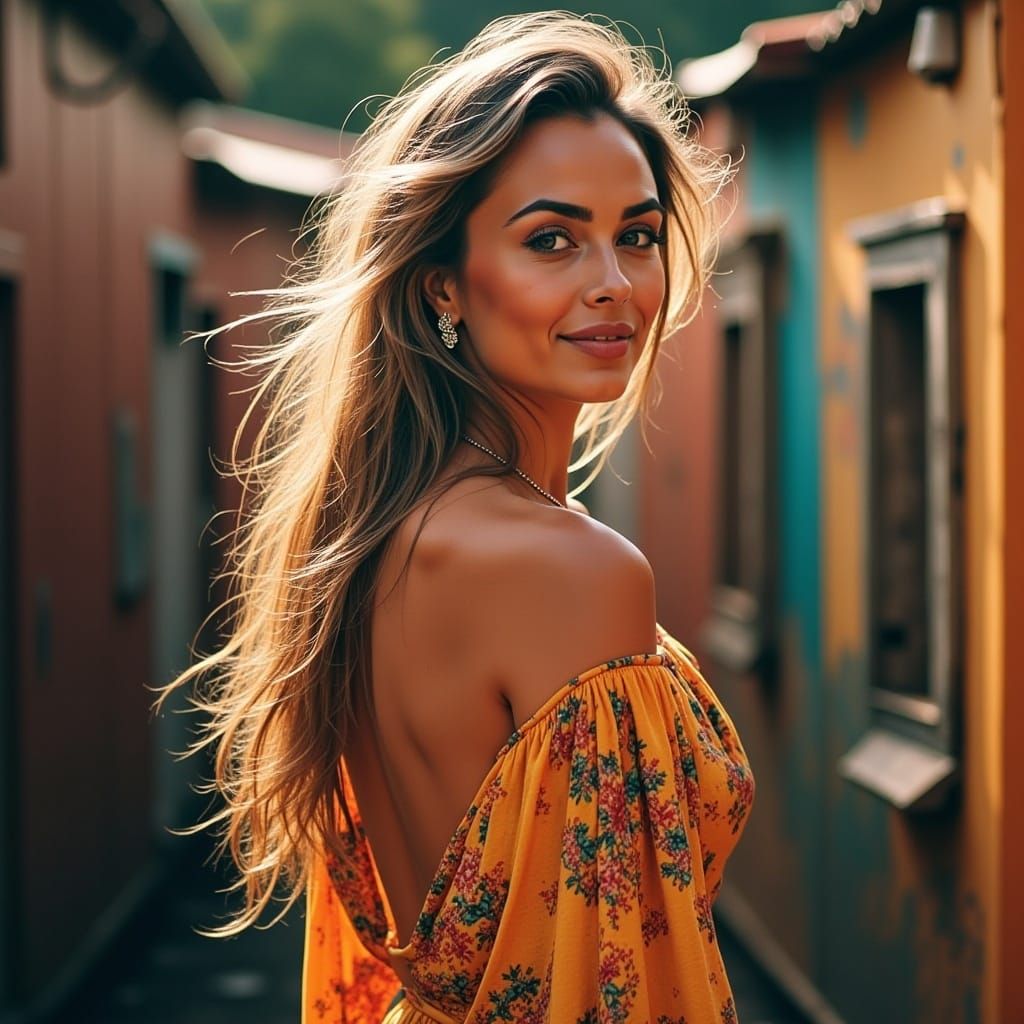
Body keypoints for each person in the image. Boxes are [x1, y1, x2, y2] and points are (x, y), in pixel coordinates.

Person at [158, 11, 755, 1023]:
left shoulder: (380, 537)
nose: (613, 284)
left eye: (638, 236)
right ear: (443, 283)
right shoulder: (572, 572)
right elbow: (623, 990)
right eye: (552, 239)